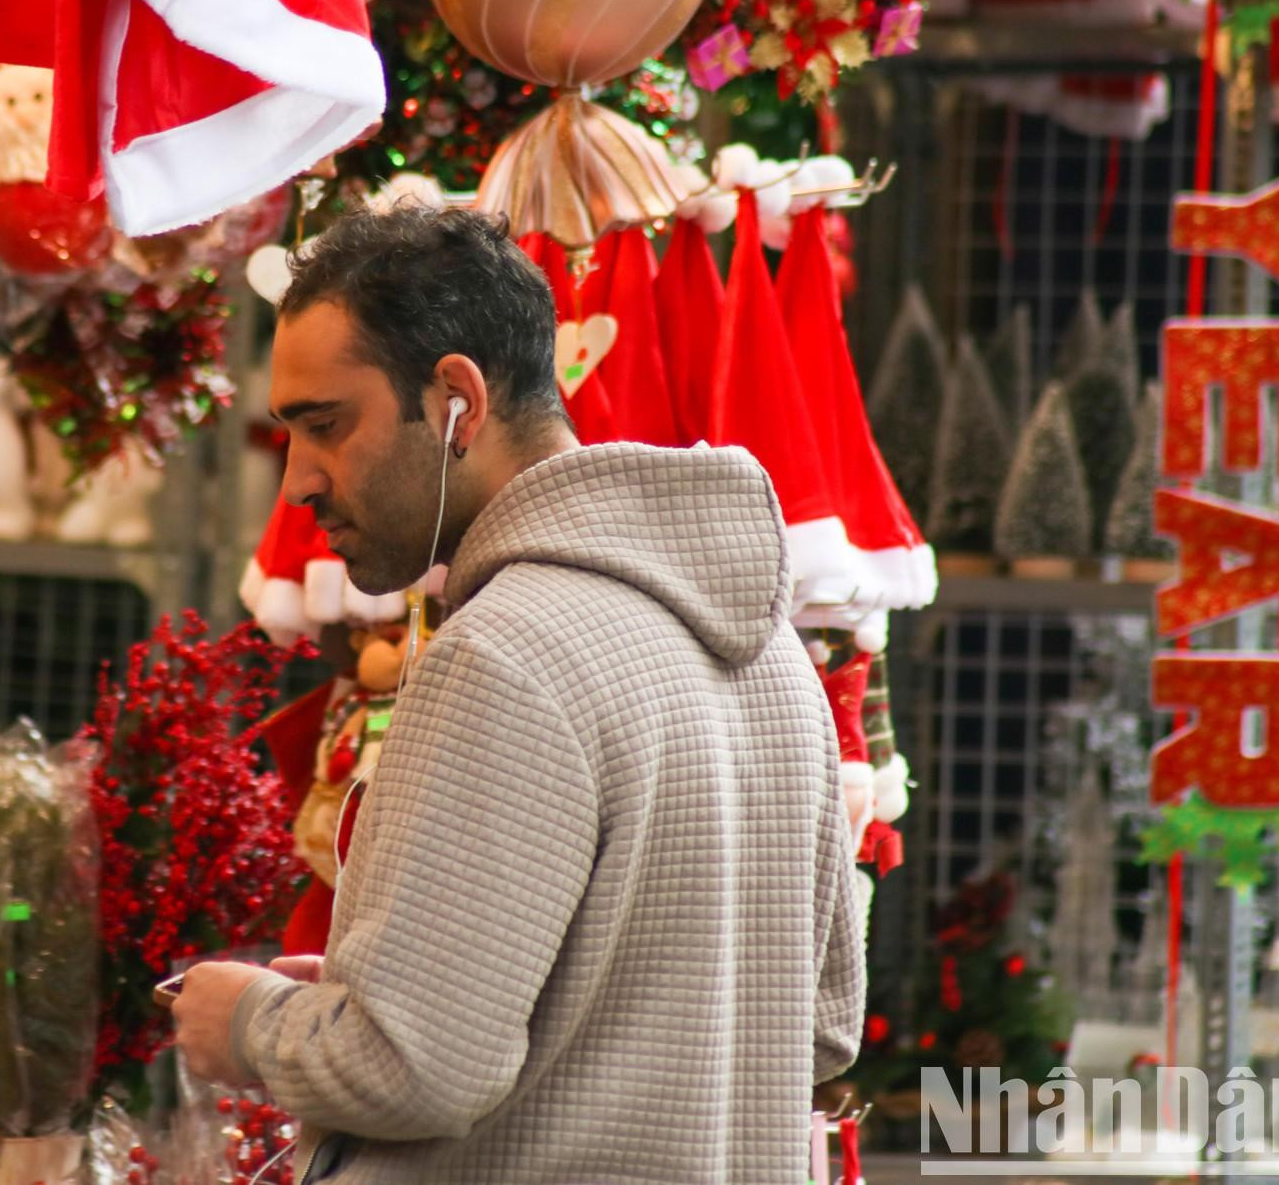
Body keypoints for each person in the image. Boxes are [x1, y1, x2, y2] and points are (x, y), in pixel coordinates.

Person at [170, 206, 862, 1183]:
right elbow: (820, 1025)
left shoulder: (502, 654)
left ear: (457, 398)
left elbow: (412, 1068)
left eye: (325, 425)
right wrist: (394, 988)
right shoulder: (773, 656)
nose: (297, 482)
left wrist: (248, 1022)